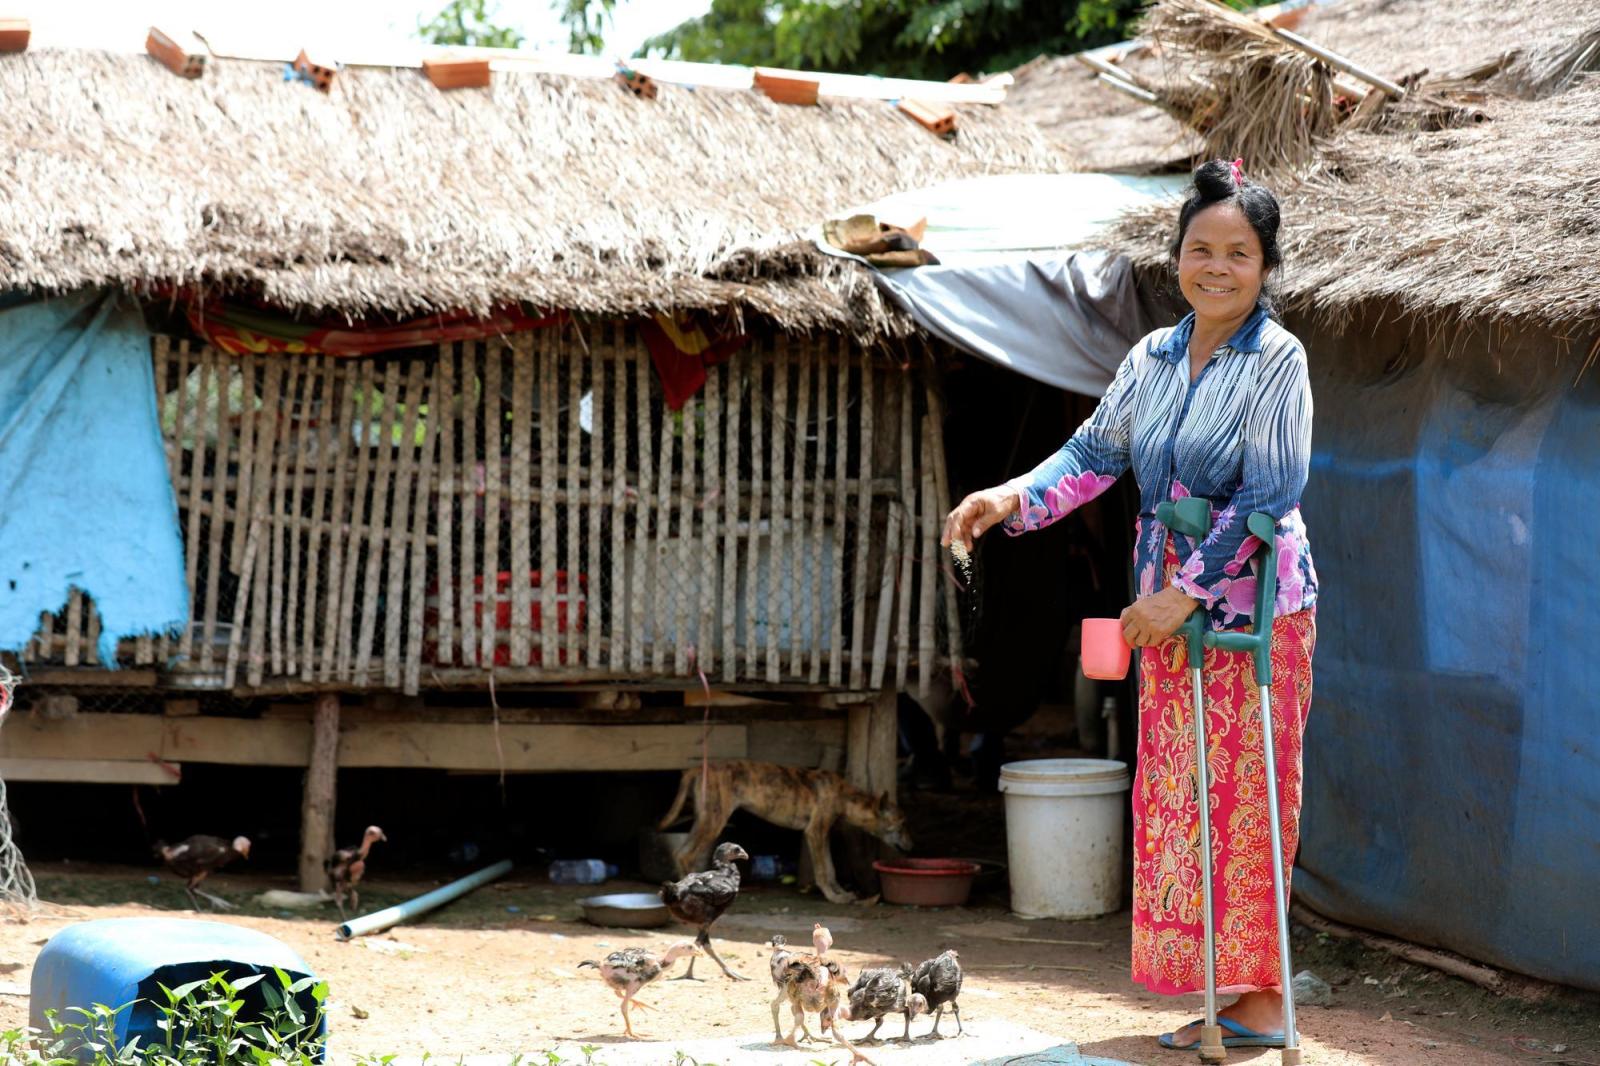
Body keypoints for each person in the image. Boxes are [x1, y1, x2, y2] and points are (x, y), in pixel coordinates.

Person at [942, 159, 1319, 1052]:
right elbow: (1093, 454)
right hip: (1164, 613)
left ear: (1266, 266)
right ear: (1177, 255)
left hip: (1252, 613)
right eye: (1201, 248)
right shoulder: (1151, 358)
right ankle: (1227, 994)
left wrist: (1186, 596)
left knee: (1246, 800)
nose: (1217, 266)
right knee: (1182, 802)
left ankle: (1263, 1002)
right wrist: (1011, 498)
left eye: (1239, 252)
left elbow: (1268, 495)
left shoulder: (1279, 362)